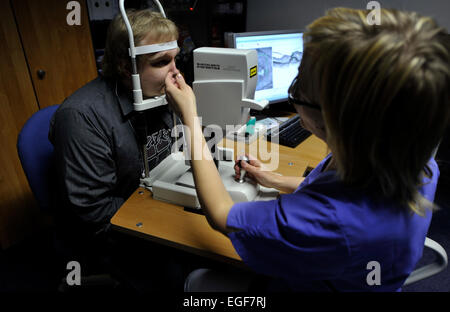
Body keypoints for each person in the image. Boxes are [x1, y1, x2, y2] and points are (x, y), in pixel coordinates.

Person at [165, 8, 450, 291]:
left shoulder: (326, 222)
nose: (295, 94)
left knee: (196, 284)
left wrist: (191, 117)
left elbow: (220, 214)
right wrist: (271, 178)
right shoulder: (417, 163)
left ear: (337, 120)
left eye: (300, 87)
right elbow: (340, 194)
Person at [49, 9, 185, 291]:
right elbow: (94, 213)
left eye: (176, 59)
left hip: (156, 204)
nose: (176, 73)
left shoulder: (157, 94)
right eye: (162, 62)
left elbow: (178, 152)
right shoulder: (81, 117)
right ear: (126, 66)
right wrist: (169, 220)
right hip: (114, 236)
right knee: (183, 275)